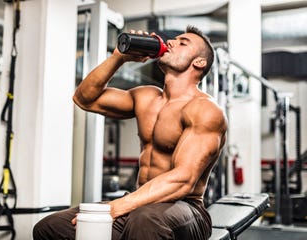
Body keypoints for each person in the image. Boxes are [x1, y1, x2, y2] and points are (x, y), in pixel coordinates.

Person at [33, 25, 227, 240]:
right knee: (50, 227)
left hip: (186, 208)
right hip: (139, 203)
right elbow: (84, 98)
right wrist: (119, 57)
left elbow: (184, 179)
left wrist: (116, 207)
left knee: (144, 220)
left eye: (183, 42)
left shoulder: (205, 110)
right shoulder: (146, 97)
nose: (171, 42)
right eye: (173, 39)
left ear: (199, 62)